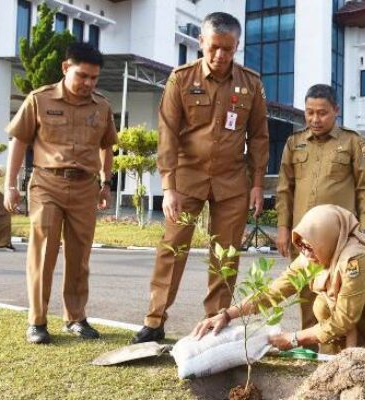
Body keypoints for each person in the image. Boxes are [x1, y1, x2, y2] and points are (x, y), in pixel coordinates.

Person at [132, 12, 269, 344]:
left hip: (232, 182)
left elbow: (260, 136)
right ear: (201, 43)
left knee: (226, 253)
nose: (221, 56)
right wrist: (168, 187)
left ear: (237, 46)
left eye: (229, 49)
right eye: (214, 48)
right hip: (186, 181)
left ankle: (215, 323)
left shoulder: (251, 83)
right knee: (172, 249)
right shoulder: (181, 79)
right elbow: (167, 134)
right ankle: (155, 320)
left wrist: (257, 184)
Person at [193, 204, 365, 367]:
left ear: (328, 236)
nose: (305, 250)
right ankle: (361, 361)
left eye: (310, 243)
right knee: (322, 305)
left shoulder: (355, 258)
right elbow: (275, 291)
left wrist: (295, 339)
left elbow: (344, 320)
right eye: (301, 244)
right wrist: (227, 314)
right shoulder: (316, 255)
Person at [4, 43, 117, 344]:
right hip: (47, 184)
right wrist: (10, 185)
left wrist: (106, 183)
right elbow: (19, 141)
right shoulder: (39, 99)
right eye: (83, 76)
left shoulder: (102, 106)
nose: (89, 83)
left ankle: (76, 318)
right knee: (43, 253)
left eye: (94, 78)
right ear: (66, 68)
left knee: (80, 256)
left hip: (85, 188)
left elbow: (107, 145)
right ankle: (37, 321)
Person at [275, 84, 365, 330]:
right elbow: (284, 189)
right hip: (303, 235)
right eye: (310, 112)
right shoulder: (294, 143)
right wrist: (282, 228)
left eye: (322, 113)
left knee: (341, 290)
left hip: (341, 237)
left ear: (336, 111)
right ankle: (309, 343)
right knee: (306, 289)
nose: (315, 119)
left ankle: (341, 346)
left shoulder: (354, 142)